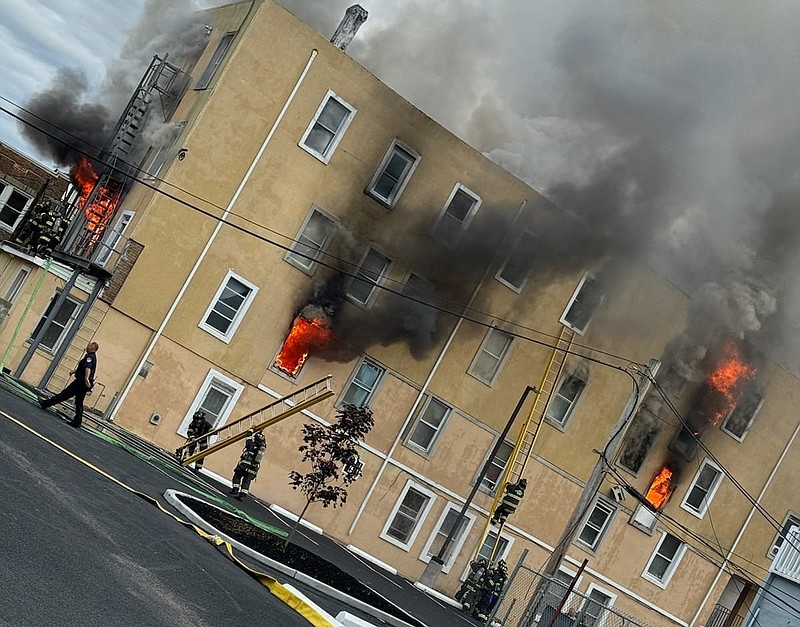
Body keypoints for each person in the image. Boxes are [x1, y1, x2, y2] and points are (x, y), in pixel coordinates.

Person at [40, 342, 98, 428]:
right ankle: (77, 421)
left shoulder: (89, 357)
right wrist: (75, 371)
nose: (86, 347)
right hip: (83, 384)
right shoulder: (93, 357)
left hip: (80, 382)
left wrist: (86, 379)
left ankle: (46, 404)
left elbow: (87, 368)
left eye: (88, 346)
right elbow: (83, 367)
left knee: (64, 394)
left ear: (92, 348)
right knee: (79, 402)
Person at [230, 430, 266, 500]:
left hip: (244, 465)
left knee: (237, 476)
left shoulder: (251, 444)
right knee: (246, 481)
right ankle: (242, 495)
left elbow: (248, 436)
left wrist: (252, 430)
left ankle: (235, 489)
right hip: (254, 468)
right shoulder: (262, 448)